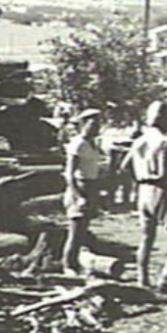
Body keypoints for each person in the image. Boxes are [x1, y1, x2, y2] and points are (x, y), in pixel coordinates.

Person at [126, 100, 167, 291]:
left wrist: (139, 179)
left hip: (142, 191)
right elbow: (163, 174)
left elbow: (124, 166)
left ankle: (142, 278)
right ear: (163, 118)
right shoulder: (163, 141)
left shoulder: (140, 140)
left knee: (147, 237)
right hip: (160, 191)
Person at [62, 108, 104, 276]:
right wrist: (78, 196)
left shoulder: (92, 144)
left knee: (83, 230)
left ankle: (78, 263)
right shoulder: (78, 143)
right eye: (92, 124)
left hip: (91, 186)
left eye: (98, 124)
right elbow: (69, 173)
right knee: (75, 230)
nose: (96, 128)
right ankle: (68, 266)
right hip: (79, 187)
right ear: (83, 124)